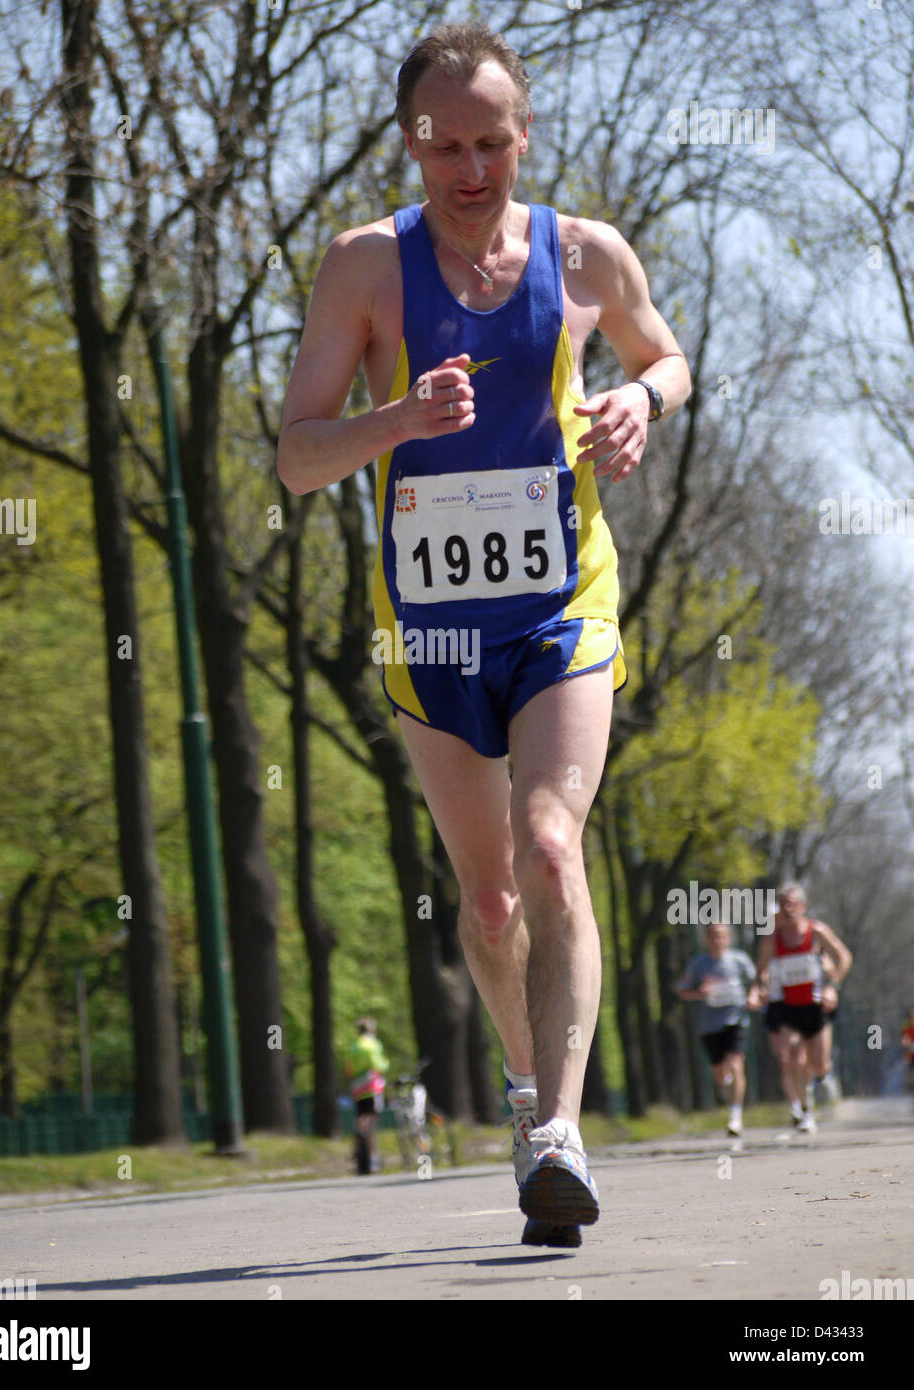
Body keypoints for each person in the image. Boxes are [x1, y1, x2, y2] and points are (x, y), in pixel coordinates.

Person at [278, 21, 690, 1245]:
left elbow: (666, 356)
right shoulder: (362, 269)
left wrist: (636, 400)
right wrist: (394, 417)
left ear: (525, 137)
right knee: (494, 903)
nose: (469, 169)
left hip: (565, 602)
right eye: (444, 144)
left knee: (556, 845)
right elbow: (299, 458)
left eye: (492, 143)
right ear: (411, 142)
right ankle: (526, 1091)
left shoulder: (584, 253)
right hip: (431, 628)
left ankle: (559, 1131)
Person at [756, 882, 852, 1134]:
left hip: (815, 1004)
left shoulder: (817, 931)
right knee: (791, 1056)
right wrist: (762, 986)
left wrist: (833, 986)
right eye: (782, 903)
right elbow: (761, 971)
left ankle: (819, 1082)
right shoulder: (772, 939)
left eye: (792, 903)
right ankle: (804, 1110)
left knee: (819, 1064)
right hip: (785, 1006)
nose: (787, 909)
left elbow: (844, 957)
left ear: (803, 906)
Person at [678, 922, 757, 1137]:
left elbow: (756, 982)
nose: (717, 940)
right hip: (710, 1025)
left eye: (721, 936)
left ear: (729, 938)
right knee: (720, 1073)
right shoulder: (698, 965)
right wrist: (700, 993)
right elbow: (683, 991)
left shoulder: (740, 961)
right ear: (706, 939)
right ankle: (726, 1086)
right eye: (713, 936)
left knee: (736, 1064)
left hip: (736, 1020)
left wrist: (753, 995)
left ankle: (735, 1117)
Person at [344, 1017, 390, 1174]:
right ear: (371, 1030)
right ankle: (373, 1158)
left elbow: (348, 1070)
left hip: (358, 1086)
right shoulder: (373, 1045)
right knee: (372, 1120)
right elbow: (380, 1065)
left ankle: (358, 1147)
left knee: (361, 1116)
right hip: (372, 1086)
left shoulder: (353, 1046)